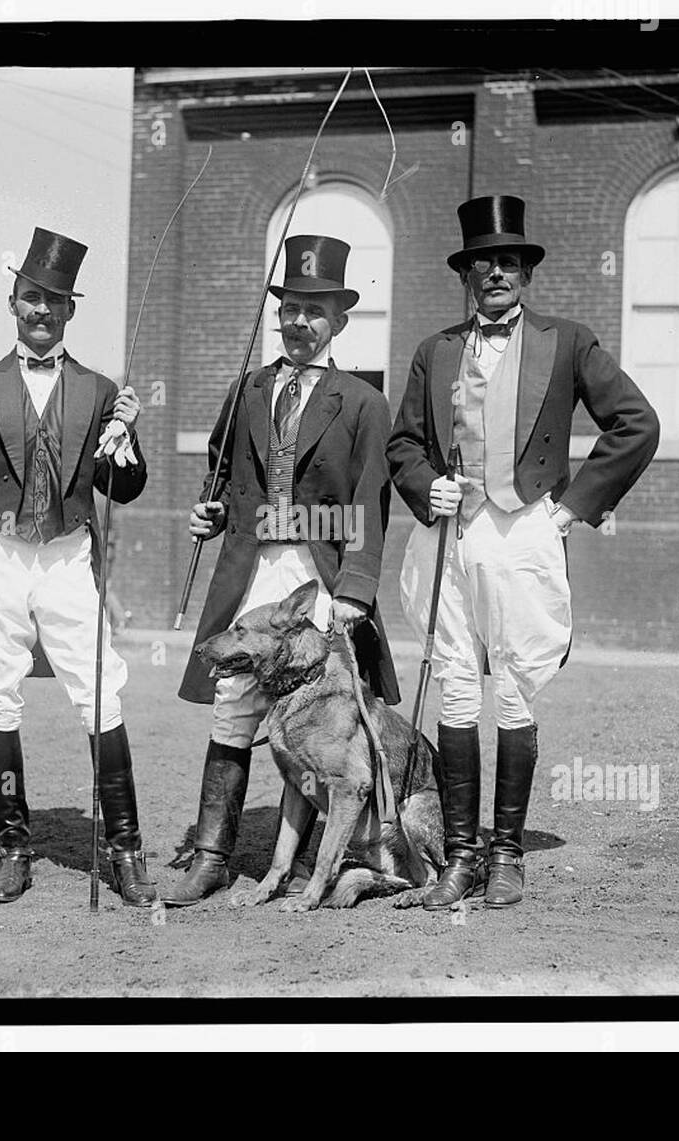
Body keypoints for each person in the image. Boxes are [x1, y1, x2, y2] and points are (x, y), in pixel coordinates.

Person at [387, 195, 660, 910]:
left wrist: (570, 509)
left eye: (510, 261)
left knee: (510, 682)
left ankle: (506, 854)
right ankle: (460, 856)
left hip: (523, 529)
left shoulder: (566, 341)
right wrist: (426, 488)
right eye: (485, 262)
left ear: (525, 274)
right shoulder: (435, 350)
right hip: (449, 532)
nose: (497, 273)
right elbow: (403, 444)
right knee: (453, 679)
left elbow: (636, 423)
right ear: (467, 275)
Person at [164, 234, 399, 906]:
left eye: (315, 310)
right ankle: (212, 855)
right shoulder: (250, 388)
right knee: (234, 709)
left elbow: (368, 501)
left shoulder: (362, 402)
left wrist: (355, 589)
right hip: (252, 574)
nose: (300, 321)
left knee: (322, 715)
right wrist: (210, 514)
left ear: (340, 320)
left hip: (320, 578)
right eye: (290, 307)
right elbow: (222, 467)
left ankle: (319, 859)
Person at [0, 226, 155, 906]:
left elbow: (123, 488)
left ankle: (123, 849)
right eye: (32, 297)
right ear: (14, 302)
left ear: (70, 310)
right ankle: (12, 845)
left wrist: (125, 445)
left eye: (55, 300)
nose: (41, 311)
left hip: (66, 554)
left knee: (99, 692)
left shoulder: (98, 389)